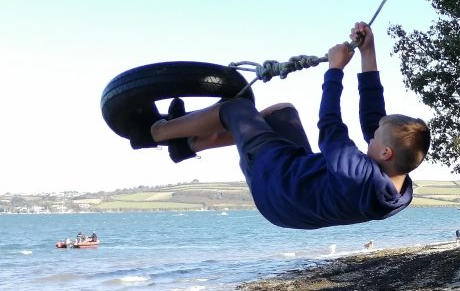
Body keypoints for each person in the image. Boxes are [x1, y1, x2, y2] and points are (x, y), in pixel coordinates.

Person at [142, 23, 430, 230]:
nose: (371, 135)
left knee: (237, 109)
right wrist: (369, 52)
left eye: (376, 137)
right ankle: (189, 145)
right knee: (282, 113)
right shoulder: (397, 185)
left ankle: (155, 132)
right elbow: (374, 116)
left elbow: (330, 127)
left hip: (275, 185)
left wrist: (335, 70)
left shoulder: (359, 176)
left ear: (386, 153)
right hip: (295, 193)